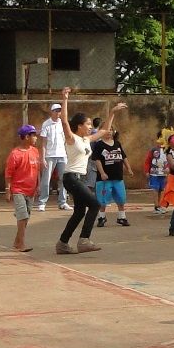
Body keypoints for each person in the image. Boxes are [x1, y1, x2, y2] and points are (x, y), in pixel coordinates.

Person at [55, 87, 126, 255]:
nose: (89, 127)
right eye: (87, 124)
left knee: (80, 211)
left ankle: (62, 243)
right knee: (95, 204)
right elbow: (65, 122)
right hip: (71, 177)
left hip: (80, 179)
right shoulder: (72, 139)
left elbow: (103, 131)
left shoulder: (86, 139)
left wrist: (113, 113)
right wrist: (65, 99)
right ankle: (84, 240)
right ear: (79, 126)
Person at [5, 125, 41, 252]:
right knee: (23, 216)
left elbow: (37, 170)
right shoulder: (15, 154)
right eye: (34, 135)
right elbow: (8, 174)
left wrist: (38, 185)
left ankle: (17, 241)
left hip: (31, 190)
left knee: (26, 217)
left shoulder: (35, 151)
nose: (36, 138)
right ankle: (21, 244)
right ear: (26, 137)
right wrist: (8, 190)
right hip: (18, 189)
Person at [92, 128, 134, 227]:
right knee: (102, 199)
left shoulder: (117, 143)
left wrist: (129, 169)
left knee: (121, 198)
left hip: (118, 177)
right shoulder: (99, 145)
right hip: (105, 179)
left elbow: (123, 157)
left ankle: (121, 217)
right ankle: (101, 217)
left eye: (111, 129)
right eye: (106, 129)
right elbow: (97, 160)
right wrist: (102, 173)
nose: (109, 132)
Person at [36, 102, 70, 211]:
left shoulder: (63, 124)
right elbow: (44, 143)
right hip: (50, 155)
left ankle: (63, 202)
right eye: (56, 110)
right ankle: (42, 202)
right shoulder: (46, 124)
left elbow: (67, 140)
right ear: (51, 112)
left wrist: (67, 154)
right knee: (46, 179)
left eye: (59, 111)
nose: (58, 113)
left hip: (62, 155)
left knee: (64, 179)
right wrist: (43, 157)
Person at [145, 131, 169, 215]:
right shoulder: (153, 150)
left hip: (164, 174)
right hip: (154, 173)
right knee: (155, 189)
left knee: (162, 189)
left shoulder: (168, 150)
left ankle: (161, 205)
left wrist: (168, 169)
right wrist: (147, 171)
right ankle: (156, 206)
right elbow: (147, 161)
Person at [84, 117, 102, 192]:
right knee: (91, 181)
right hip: (93, 159)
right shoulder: (96, 134)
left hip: (91, 158)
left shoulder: (92, 133)